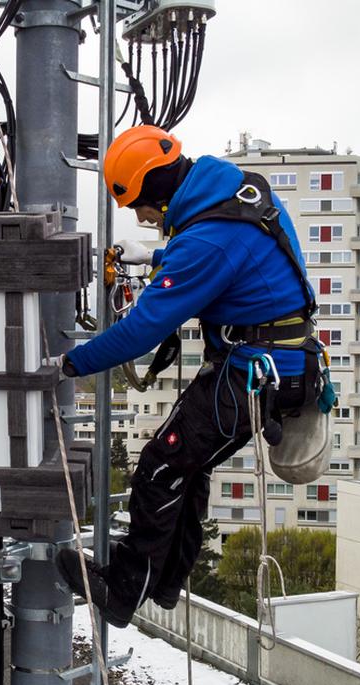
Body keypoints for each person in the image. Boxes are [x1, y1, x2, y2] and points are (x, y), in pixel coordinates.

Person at [51, 125, 328, 628]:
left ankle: (122, 589)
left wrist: (71, 363)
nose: (141, 217)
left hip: (251, 373)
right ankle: (165, 579)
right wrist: (155, 256)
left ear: (158, 188)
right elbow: (228, 258)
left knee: (162, 463)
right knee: (188, 466)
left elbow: (142, 329)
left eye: (140, 205)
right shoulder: (238, 192)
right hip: (277, 365)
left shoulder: (207, 239)